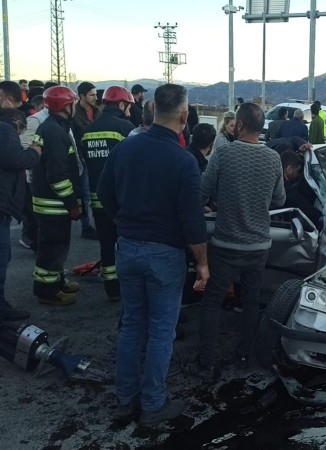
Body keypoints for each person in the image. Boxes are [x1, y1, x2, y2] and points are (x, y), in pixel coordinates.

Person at [98, 83, 209, 427]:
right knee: (161, 331)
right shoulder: (183, 160)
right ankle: (152, 405)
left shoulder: (126, 148)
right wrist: (203, 263)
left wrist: (125, 223)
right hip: (164, 256)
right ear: (184, 115)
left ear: (151, 110)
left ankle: (125, 400)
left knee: (132, 326)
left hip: (127, 248)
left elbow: (104, 193)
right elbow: (192, 221)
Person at [185, 102, 285, 379]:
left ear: (239, 125)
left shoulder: (224, 154)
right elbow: (279, 200)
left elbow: (202, 193)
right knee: (251, 302)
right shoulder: (273, 158)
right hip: (259, 246)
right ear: (261, 126)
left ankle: (206, 362)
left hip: (226, 245)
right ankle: (243, 354)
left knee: (212, 302)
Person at [81, 86, 135, 302]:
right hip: (122, 201)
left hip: (97, 198)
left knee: (106, 244)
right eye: (128, 106)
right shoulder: (126, 128)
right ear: (122, 105)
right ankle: (127, 285)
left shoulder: (88, 130)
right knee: (126, 244)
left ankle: (111, 287)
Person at [30, 86, 82, 306]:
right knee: (52, 248)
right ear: (65, 106)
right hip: (54, 204)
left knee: (57, 246)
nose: (76, 107)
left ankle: (57, 281)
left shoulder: (54, 127)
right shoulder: (55, 132)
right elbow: (58, 175)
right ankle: (47, 291)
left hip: (51, 202)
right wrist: (72, 203)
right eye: (73, 104)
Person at [0, 108, 41, 322]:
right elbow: (16, 160)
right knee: (1, 258)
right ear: (17, 122)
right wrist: (34, 151)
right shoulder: (6, 130)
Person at [71, 82, 100, 241]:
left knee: (95, 193)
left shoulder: (97, 112)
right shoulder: (74, 113)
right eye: (92, 95)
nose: (96, 98)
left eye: (95, 94)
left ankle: (96, 224)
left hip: (96, 158)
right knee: (85, 194)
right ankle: (86, 227)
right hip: (82, 160)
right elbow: (74, 137)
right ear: (82, 96)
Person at [280, 150, 322, 228]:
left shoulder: (278, 182)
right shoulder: (285, 188)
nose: (298, 175)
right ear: (289, 169)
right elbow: (300, 203)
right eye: (297, 171)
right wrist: (319, 218)